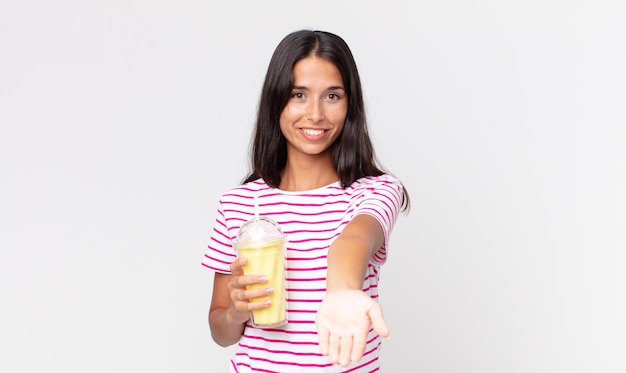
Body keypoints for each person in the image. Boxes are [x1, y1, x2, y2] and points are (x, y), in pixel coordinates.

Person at [202, 29, 410, 372]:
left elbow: (355, 238)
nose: (315, 114)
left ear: (350, 103)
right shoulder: (239, 204)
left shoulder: (376, 191)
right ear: (275, 101)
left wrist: (341, 291)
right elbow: (221, 332)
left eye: (332, 96)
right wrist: (238, 311)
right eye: (298, 94)